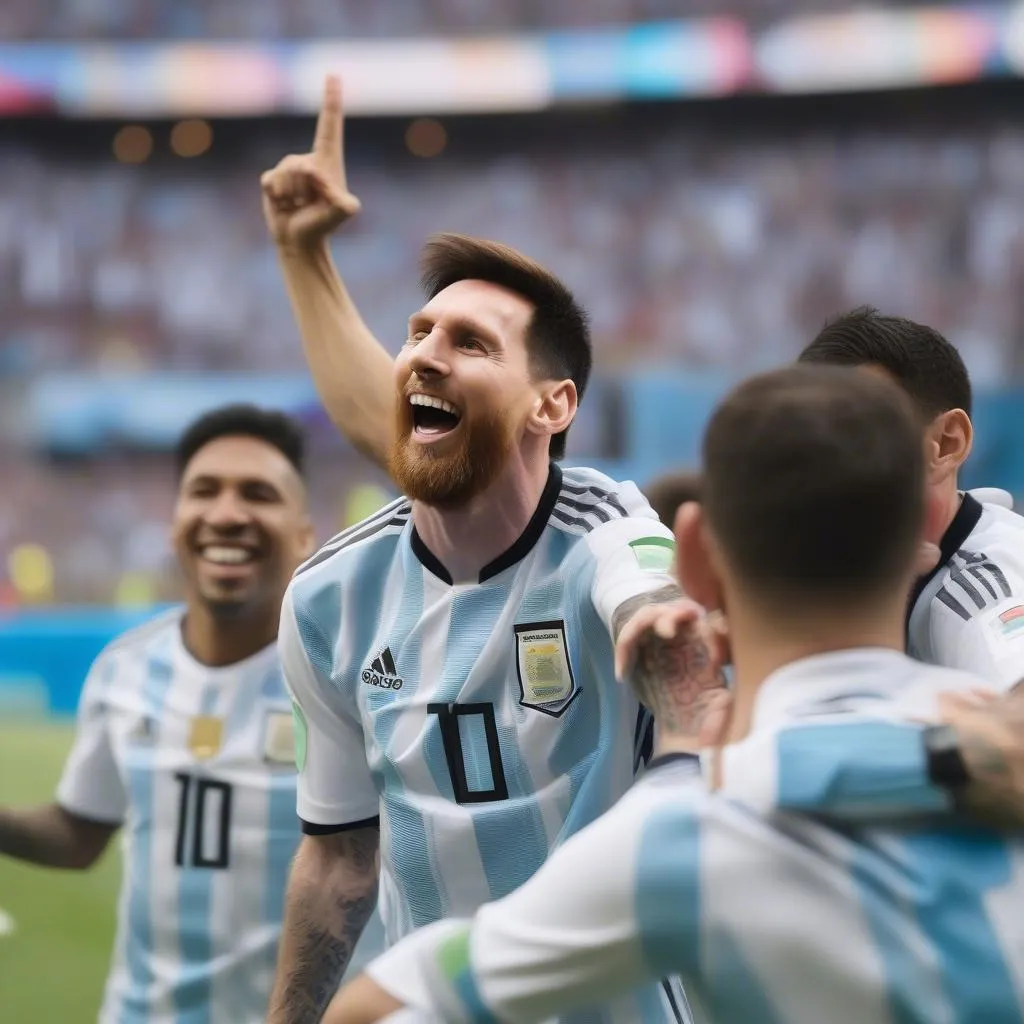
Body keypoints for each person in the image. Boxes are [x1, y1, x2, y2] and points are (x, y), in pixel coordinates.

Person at [327, 365, 1024, 1024]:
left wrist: (681, 765)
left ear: (692, 556)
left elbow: (374, 1007)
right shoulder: (994, 750)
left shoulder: (689, 832)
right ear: (920, 548)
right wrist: (937, 765)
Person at [261, 77, 705, 1024]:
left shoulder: (609, 536)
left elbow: (662, 620)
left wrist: (685, 716)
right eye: (417, 333)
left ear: (554, 405)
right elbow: (339, 858)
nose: (423, 352)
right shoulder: (329, 596)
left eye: (470, 342)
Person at [0, 405, 331, 1023]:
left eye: (257, 494)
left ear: (305, 533)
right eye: (203, 491)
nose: (226, 513)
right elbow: (79, 835)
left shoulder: (342, 678)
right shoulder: (124, 669)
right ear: (175, 519)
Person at [713, 309, 1024, 824]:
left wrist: (789, 770)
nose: (827, 458)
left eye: (862, 429)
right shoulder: (845, 576)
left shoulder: (977, 586)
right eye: (809, 435)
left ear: (946, 444)